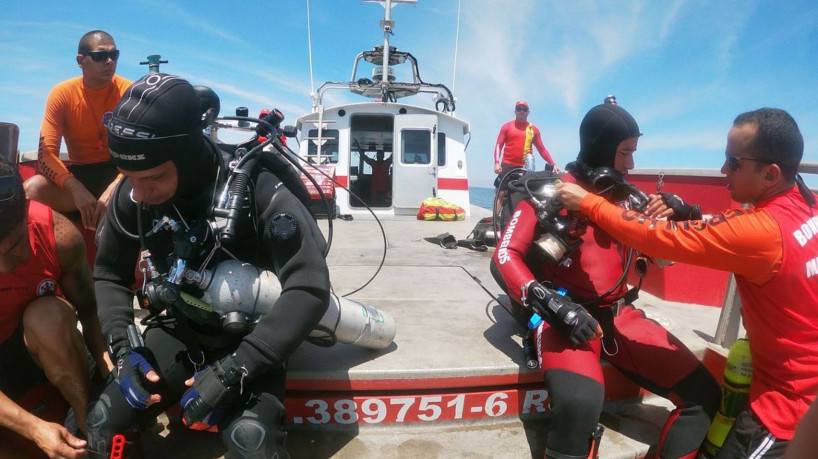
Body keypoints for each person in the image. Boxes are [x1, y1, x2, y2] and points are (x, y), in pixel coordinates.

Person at [85, 73, 330, 458]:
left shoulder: (256, 186)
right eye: (127, 176)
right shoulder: (133, 193)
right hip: (183, 325)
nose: (138, 193)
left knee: (251, 440)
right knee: (102, 421)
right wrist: (122, 347)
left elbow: (310, 286)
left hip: (257, 335)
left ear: (188, 155)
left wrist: (237, 369)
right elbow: (109, 274)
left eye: (153, 177)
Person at [556, 107, 818, 458]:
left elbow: (660, 239)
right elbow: (739, 224)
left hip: (786, 410)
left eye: (733, 161)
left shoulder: (763, 232)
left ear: (770, 174)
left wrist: (588, 202)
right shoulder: (805, 204)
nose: (724, 169)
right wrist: (692, 213)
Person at [492, 103, 720, 459]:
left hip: (621, 316)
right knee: (580, 406)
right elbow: (504, 256)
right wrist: (551, 304)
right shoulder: (547, 192)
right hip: (564, 319)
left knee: (705, 395)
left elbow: (666, 259)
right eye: (625, 153)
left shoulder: (628, 199)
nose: (630, 165)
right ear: (601, 148)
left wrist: (680, 218)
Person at [0, 158, 110, 458]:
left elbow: (90, 312)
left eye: (14, 246)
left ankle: (87, 424)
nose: (5, 265)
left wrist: (111, 377)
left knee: (49, 315)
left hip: (30, 349)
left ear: (26, 212)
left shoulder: (58, 234)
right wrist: (34, 428)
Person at [24, 30, 132, 231]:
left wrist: (115, 187)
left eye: (114, 55)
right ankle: (57, 248)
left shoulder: (129, 92)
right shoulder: (62, 94)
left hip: (120, 173)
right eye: (100, 56)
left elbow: (139, 151)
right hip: (80, 176)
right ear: (81, 61)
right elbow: (46, 154)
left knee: (154, 188)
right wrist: (75, 188)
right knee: (32, 189)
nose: (109, 61)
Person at [493, 100, 557, 213]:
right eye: (519, 109)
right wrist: (497, 162)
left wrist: (553, 164)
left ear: (528, 112)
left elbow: (542, 149)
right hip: (507, 164)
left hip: (525, 167)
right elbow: (499, 145)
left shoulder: (534, 130)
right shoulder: (507, 127)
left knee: (523, 192)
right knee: (501, 193)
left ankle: (516, 219)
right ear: (515, 112)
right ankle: (495, 218)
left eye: (524, 109)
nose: (521, 111)